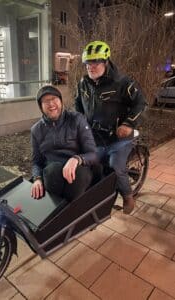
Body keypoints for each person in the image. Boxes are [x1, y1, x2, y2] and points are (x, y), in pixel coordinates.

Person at [75, 40, 147, 214]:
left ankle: (128, 197)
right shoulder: (83, 83)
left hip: (118, 139)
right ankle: (98, 198)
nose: (90, 67)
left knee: (115, 165)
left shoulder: (122, 82)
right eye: (87, 63)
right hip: (95, 137)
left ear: (106, 62)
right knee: (86, 163)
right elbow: (77, 106)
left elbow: (141, 104)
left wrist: (128, 123)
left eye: (95, 62)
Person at [31, 85, 99, 201]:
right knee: (52, 171)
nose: (51, 104)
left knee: (79, 175)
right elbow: (36, 161)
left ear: (61, 101)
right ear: (41, 106)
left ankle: (72, 210)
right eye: (46, 101)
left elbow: (93, 154)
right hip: (52, 175)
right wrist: (37, 178)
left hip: (79, 170)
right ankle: (58, 212)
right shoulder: (36, 130)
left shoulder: (77, 119)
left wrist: (76, 159)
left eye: (54, 99)